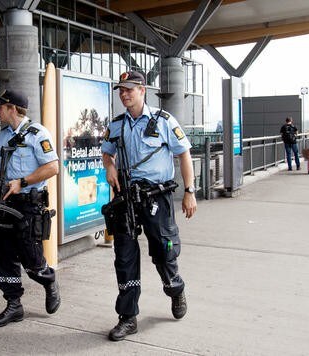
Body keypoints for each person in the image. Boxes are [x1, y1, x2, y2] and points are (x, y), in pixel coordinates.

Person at [101, 71, 197, 341]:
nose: (124, 94)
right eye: (121, 90)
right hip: (126, 199)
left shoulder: (163, 120)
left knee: (164, 251)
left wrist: (190, 191)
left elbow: (184, 154)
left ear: (142, 90)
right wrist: (109, 167)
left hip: (157, 196)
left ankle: (175, 289)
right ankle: (128, 317)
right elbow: (106, 153)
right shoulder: (117, 124)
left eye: (129, 89)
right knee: (125, 257)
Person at [0, 89, 60, 328]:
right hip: (5, 202)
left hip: (28, 204)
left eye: (1, 106)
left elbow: (53, 167)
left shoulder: (37, 133)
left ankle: (49, 279)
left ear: (12, 108)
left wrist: (23, 182)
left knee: (30, 256)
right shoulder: (3, 136)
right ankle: (14, 304)